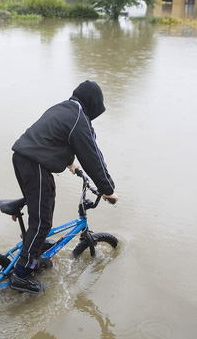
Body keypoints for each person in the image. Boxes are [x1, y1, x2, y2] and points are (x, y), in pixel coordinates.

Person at [9, 80, 118, 293]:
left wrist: (70, 164)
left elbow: (53, 138)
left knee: (40, 213)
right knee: (43, 221)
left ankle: (33, 252)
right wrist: (108, 189)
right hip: (36, 165)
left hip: (21, 158)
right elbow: (93, 157)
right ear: (93, 104)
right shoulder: (79, 119)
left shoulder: (63, 108)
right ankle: (21, 274)